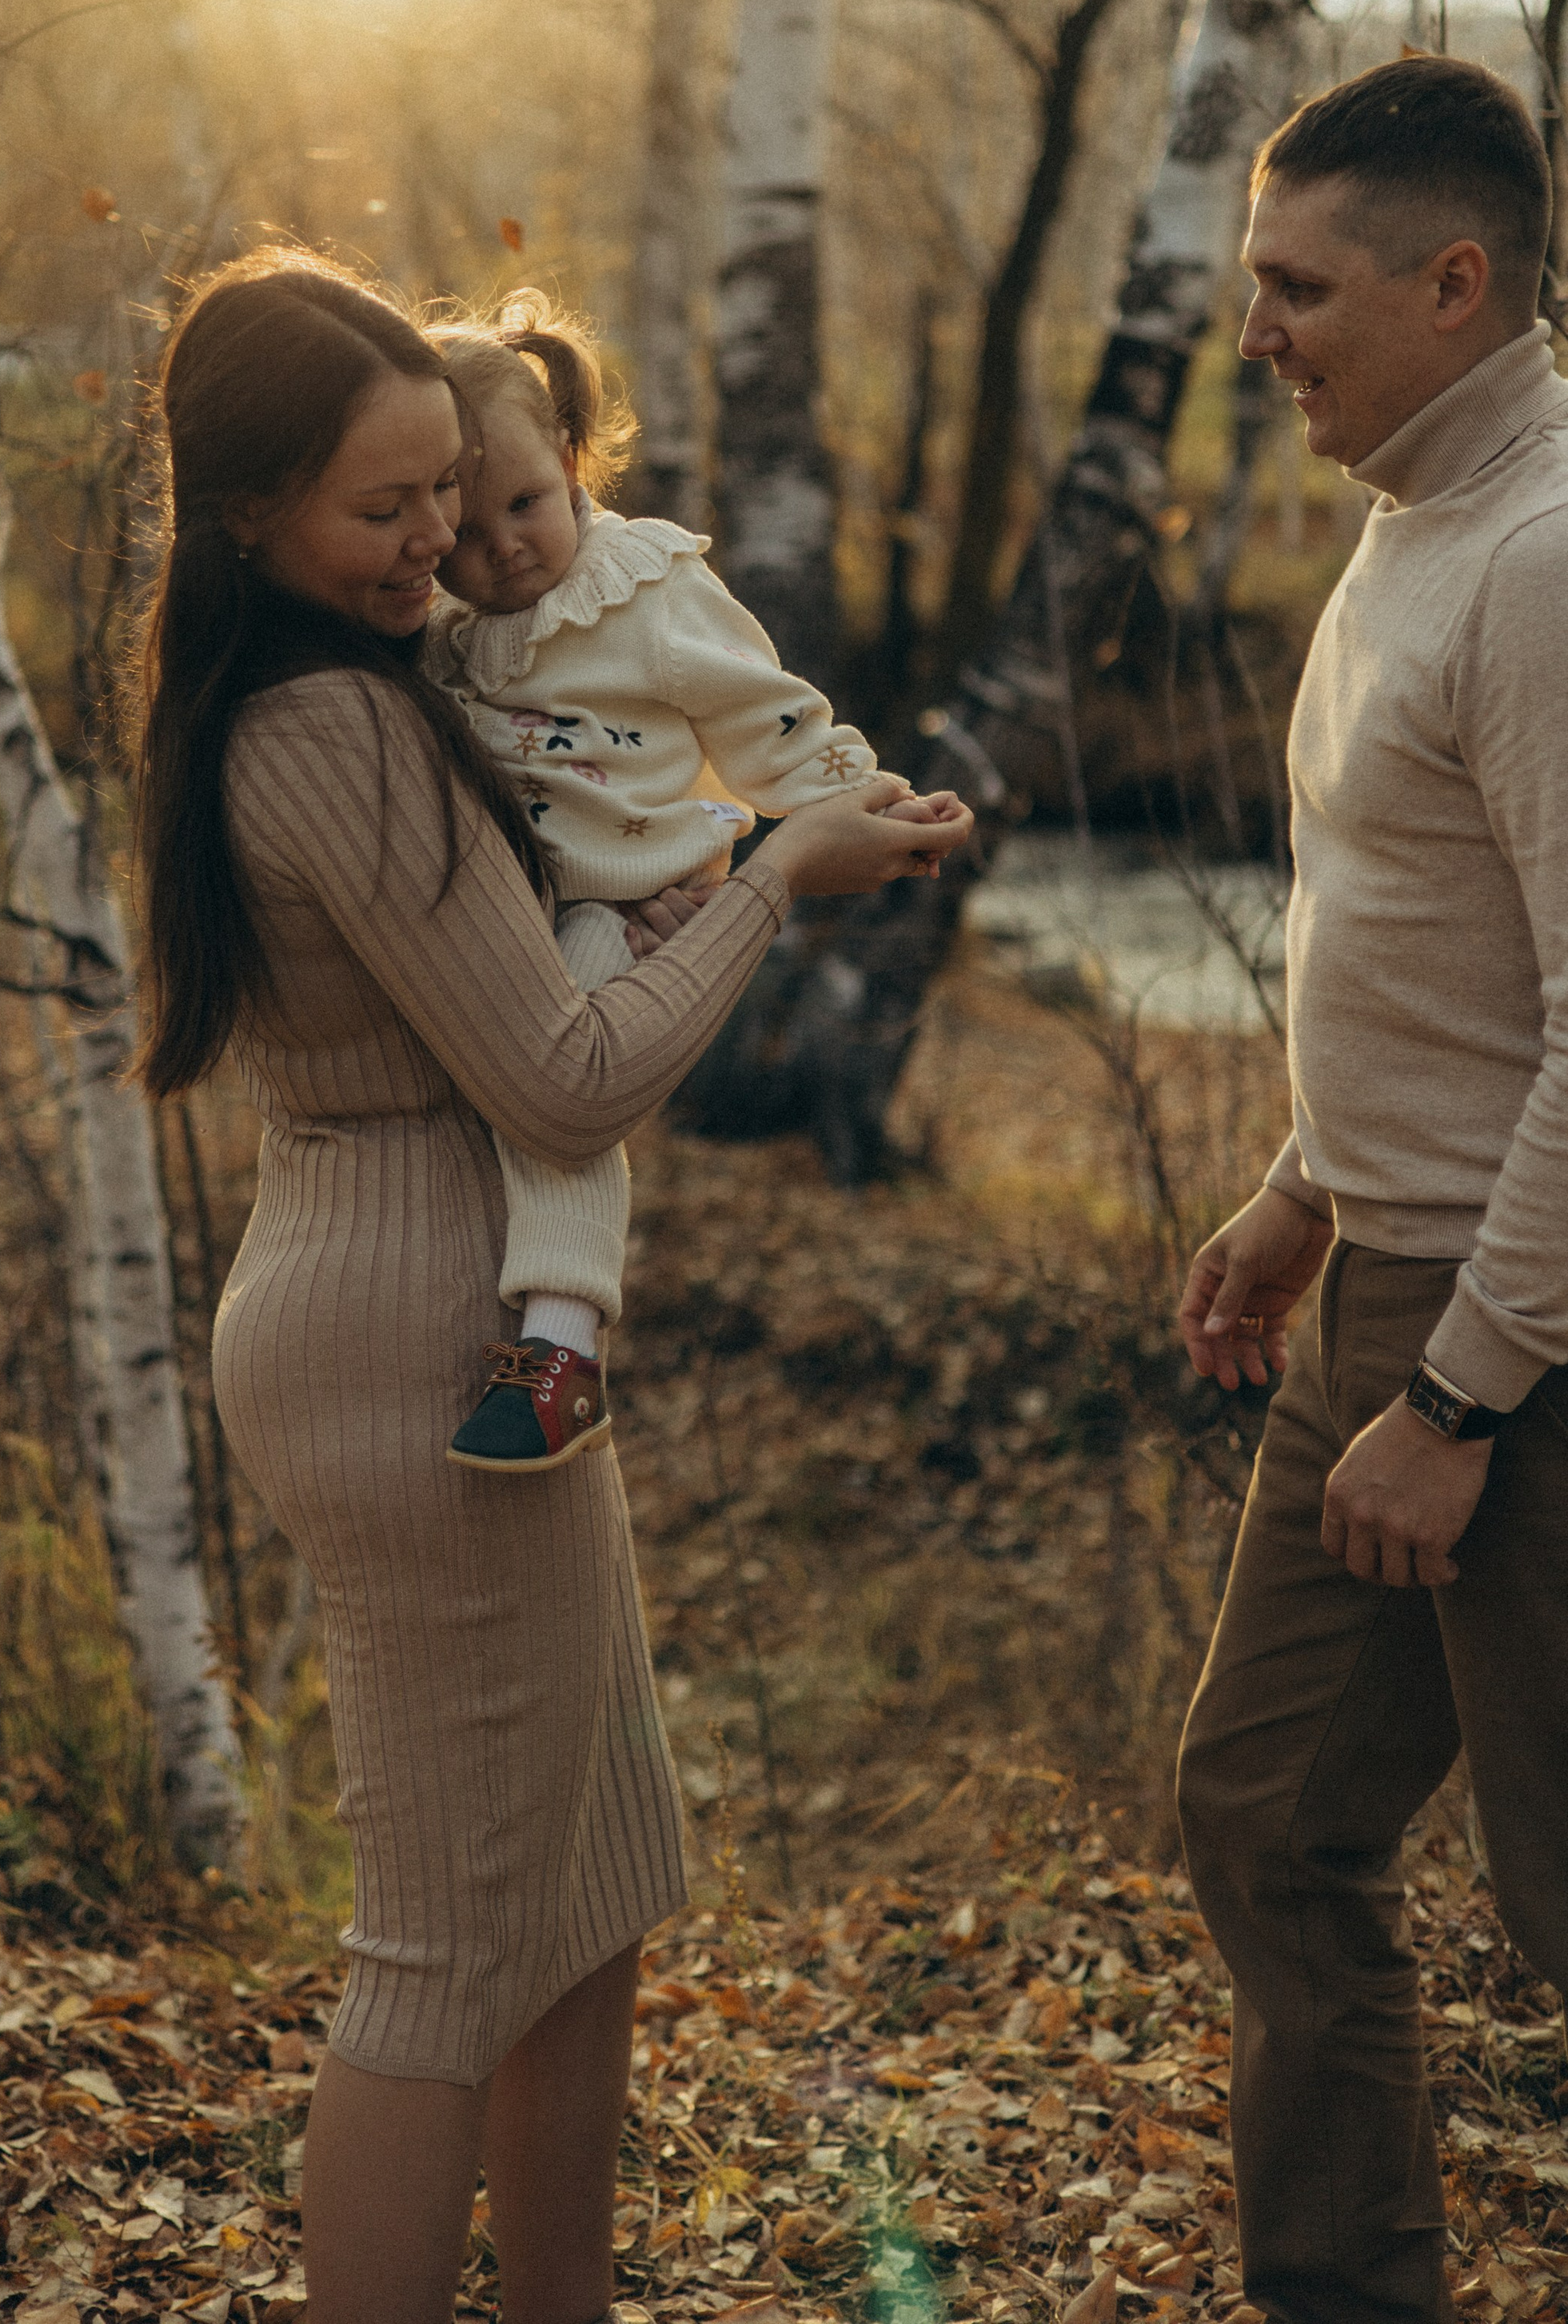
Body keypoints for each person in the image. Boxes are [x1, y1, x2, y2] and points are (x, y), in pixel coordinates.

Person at [126, 247, 975, 2324]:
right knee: (440, 1948)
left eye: (453, 489)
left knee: (587, 1892)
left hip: (458, 1311)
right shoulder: (333, 723)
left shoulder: (396, 675)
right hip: (424, 1347)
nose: (441, 544)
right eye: (383, 509)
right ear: (250, 516)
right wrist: (777, 872)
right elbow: (565, 1075)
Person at [1172, 55, 1568, 2324]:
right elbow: (1440, 953)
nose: (1260, 333)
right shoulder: (1415, 507)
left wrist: (1470, 1396)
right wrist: (1306, 1184)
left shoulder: (1540, 560)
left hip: (1514, 1333)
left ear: (1457, 281)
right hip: (1385, 1294)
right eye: (1253, 281)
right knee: (1268, 1818)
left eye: (1298, 288)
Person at [423, 294, 965, 1472]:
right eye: (464, 531)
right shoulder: (446, 621)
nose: (502, 548)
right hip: (509, 901)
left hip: (624, 902)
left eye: (524, 505)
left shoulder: (642, 589)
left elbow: (764, 715)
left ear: (569, 463)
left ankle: (564, 1347)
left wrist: (868, 800)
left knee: (561, 1076)